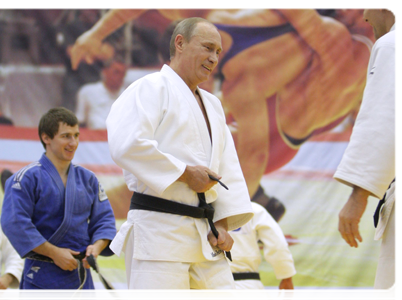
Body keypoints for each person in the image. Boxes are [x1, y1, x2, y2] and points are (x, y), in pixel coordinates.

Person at [70, 8, 374, 222]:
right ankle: (256, 200)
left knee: (162, 184)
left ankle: (78, 211)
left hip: (282, 122)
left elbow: (254, 154)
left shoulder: (243, 70)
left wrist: (95, 34)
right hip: (296, 112)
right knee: (166, 178)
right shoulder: (230, 39)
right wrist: (94, 34)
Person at [106, 18, 254, 299]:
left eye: (218, 52)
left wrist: (222, 225)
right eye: (208, 48)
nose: (213, 58)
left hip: (206, 237)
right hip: (159, 232)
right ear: (180, 43)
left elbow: (227, 170)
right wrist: (185, 173)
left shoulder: (213, 104)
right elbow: (127, 145)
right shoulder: (149, 88)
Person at [0, 107, 117, 299]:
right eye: (66, 136)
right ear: (46, 138)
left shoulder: (88, 179)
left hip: (80, 278)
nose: (73, 143)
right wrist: (53, 253)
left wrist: (95, 248)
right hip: (42, 277)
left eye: (76, 135)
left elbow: (104, 220)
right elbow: (15, 222)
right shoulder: (26, 178)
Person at [334, 8, 399, 300]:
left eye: (368, 6)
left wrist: (357, 197)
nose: (365, 16)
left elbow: (387, 121)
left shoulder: (393, 45)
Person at [229, 202, 295, 300]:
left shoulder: (201, 211)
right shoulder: (252, 209)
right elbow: (277, 244)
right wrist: (286, 277)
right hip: (247, 288)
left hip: (208, 287)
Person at [76, 57, 128, 129]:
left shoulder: (128, 95)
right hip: (94, 137)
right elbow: (80, 121)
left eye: (123, 74)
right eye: (116, 72)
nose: (120, 77)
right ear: (105, 72)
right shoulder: (87, 92)